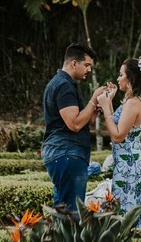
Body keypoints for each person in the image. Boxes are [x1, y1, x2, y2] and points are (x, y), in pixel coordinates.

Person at [42, 42, 113, 214]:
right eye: (87, 65)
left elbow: (81, 121)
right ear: (74, 63)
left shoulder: (64, 84)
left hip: (64, 154)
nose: (89, 70)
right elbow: (74, 124)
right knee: (72, 213)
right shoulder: (64, 86)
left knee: (62, 211)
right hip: (66, 153)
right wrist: (93, 98)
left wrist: (95, 106)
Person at [96, 56, 141, 229]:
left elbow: (117, 136)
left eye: (121, 74)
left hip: (130, 167)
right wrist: (111, 102)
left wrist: (106, 107)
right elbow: (118, 126)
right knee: (126, 209)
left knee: (128, 213)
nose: (117, 78)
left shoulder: (132, 103)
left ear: (129, 79)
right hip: (127, 164)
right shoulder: (131, 101)